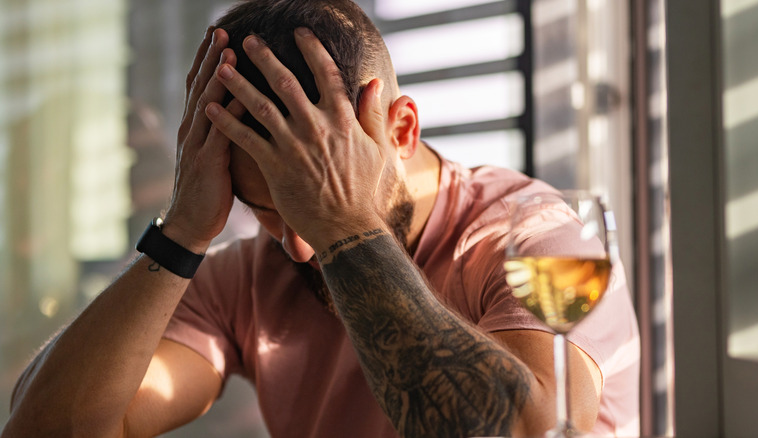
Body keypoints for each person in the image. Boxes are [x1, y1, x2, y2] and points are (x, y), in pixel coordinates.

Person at [2, 0, 640, 437]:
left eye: (315, 201)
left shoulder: (549, 241)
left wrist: (346, 226)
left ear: (401, 130)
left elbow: (533, 433)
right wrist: (181, 233)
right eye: (268, 213)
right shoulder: (252, 274)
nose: (301, 249)